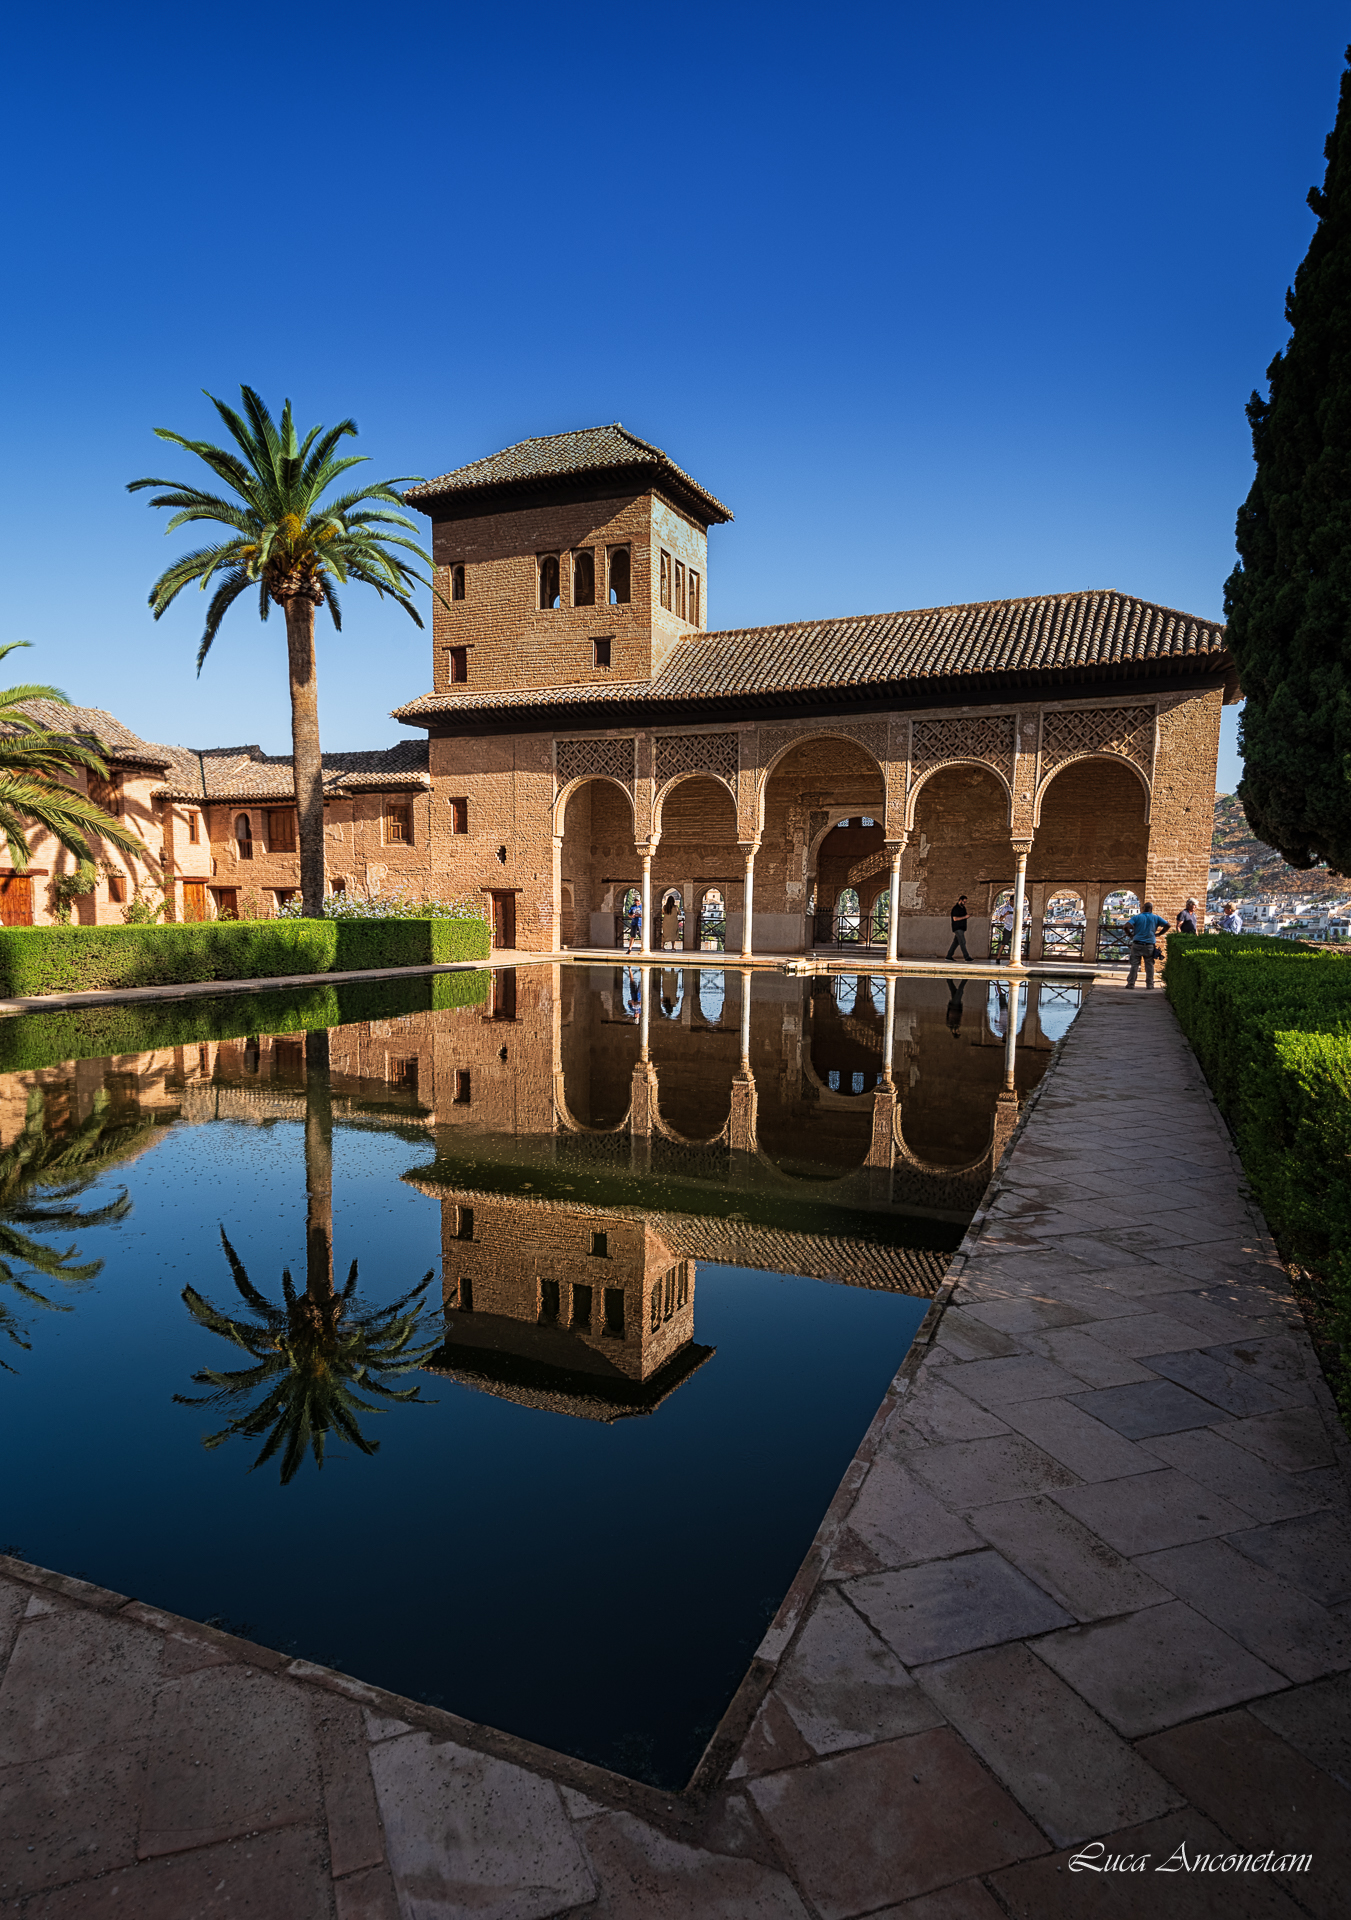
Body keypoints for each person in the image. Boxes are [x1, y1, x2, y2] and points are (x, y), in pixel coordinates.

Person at [1125, 898, 1171, 988]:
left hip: (1137, 944)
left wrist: (1130, 934)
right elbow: (1168, 925)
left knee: (1134, 964)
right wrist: (1158, 934)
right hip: (1150, 945)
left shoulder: (1137, 917)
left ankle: (1131, 983)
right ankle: (1150, 984)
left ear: (1143, 908)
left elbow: (1126, 926)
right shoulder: (1156, 918)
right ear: (1151, 909)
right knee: (1149, 965)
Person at [947, 893, 971, 962]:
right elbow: (955, 919)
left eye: (965, 902)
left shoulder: (963, 908)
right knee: (962, 942)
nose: (965, 903)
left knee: (955, 942)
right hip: (957, 928)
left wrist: (967, 916)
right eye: (964, 901)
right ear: (960, 900)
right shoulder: (955, 908)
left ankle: (949, 956)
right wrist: (965, 917)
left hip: (962, 927)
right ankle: (967, 957)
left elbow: (964, 916)